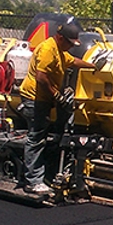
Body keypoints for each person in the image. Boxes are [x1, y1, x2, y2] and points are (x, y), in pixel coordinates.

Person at [19, 22, 95, 194]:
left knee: (43, 136)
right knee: (36, 138)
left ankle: (42, 174)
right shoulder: (47, 50)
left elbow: (73, 61)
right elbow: (41, 77)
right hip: (35, 99)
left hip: (43, 100)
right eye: (69, 43)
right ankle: (33, 181)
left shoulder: (59, 51)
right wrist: (57, 95)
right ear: (60, 37)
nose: (70, 46)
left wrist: (94, 65)